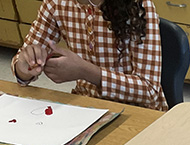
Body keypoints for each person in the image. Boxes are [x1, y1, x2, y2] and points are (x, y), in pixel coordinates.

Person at [11, 0, 167, 111]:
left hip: (137, 111)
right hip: (87, 107)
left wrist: (85, 71)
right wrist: (24, 67)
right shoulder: (55, 4)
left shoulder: (138, 5)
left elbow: (150, 90)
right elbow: (22, 60)